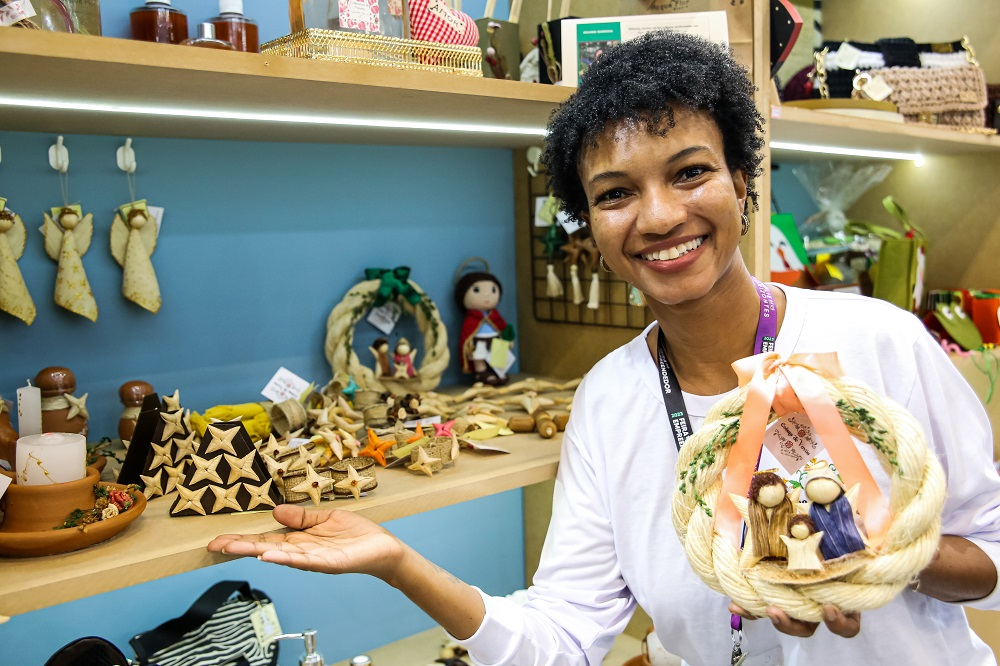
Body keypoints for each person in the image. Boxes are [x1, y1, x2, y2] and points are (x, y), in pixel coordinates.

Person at [207, 32, 1000, 665]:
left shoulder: (876, 340)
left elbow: (993, 556)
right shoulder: (611, 400)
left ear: (742, 182)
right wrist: (400, 564)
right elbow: (562, 636)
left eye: (689, 173)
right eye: (616, 193)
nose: (658, 217)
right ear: (588, 229)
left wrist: (880, 555)